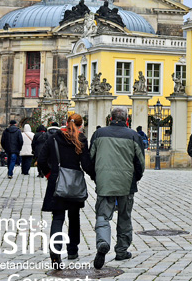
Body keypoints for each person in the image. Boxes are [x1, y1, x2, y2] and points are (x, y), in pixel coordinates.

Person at [90, 107, 145, 270]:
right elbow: (140, 162)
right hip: (126, 182)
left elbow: (90, 157)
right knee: (124, 217)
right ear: (126, 119)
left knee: (102, 215)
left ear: (110, 118)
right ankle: (121, 250)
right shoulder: (133, 135)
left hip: (104, 181)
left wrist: (97, 176)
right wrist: (136, 177)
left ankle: (103, 242)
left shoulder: (99, 134)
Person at [39, 114, 94, 270]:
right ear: (80, 125)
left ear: (65, 123)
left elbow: (42, 160)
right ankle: (72, 250)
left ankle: (55, 253)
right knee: (74, 216)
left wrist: (50, 174)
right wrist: (95, 176)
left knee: (57, 218)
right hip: (74, 183)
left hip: (57, 181)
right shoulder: (81, 139)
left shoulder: (54, 138)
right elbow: (86, 164)